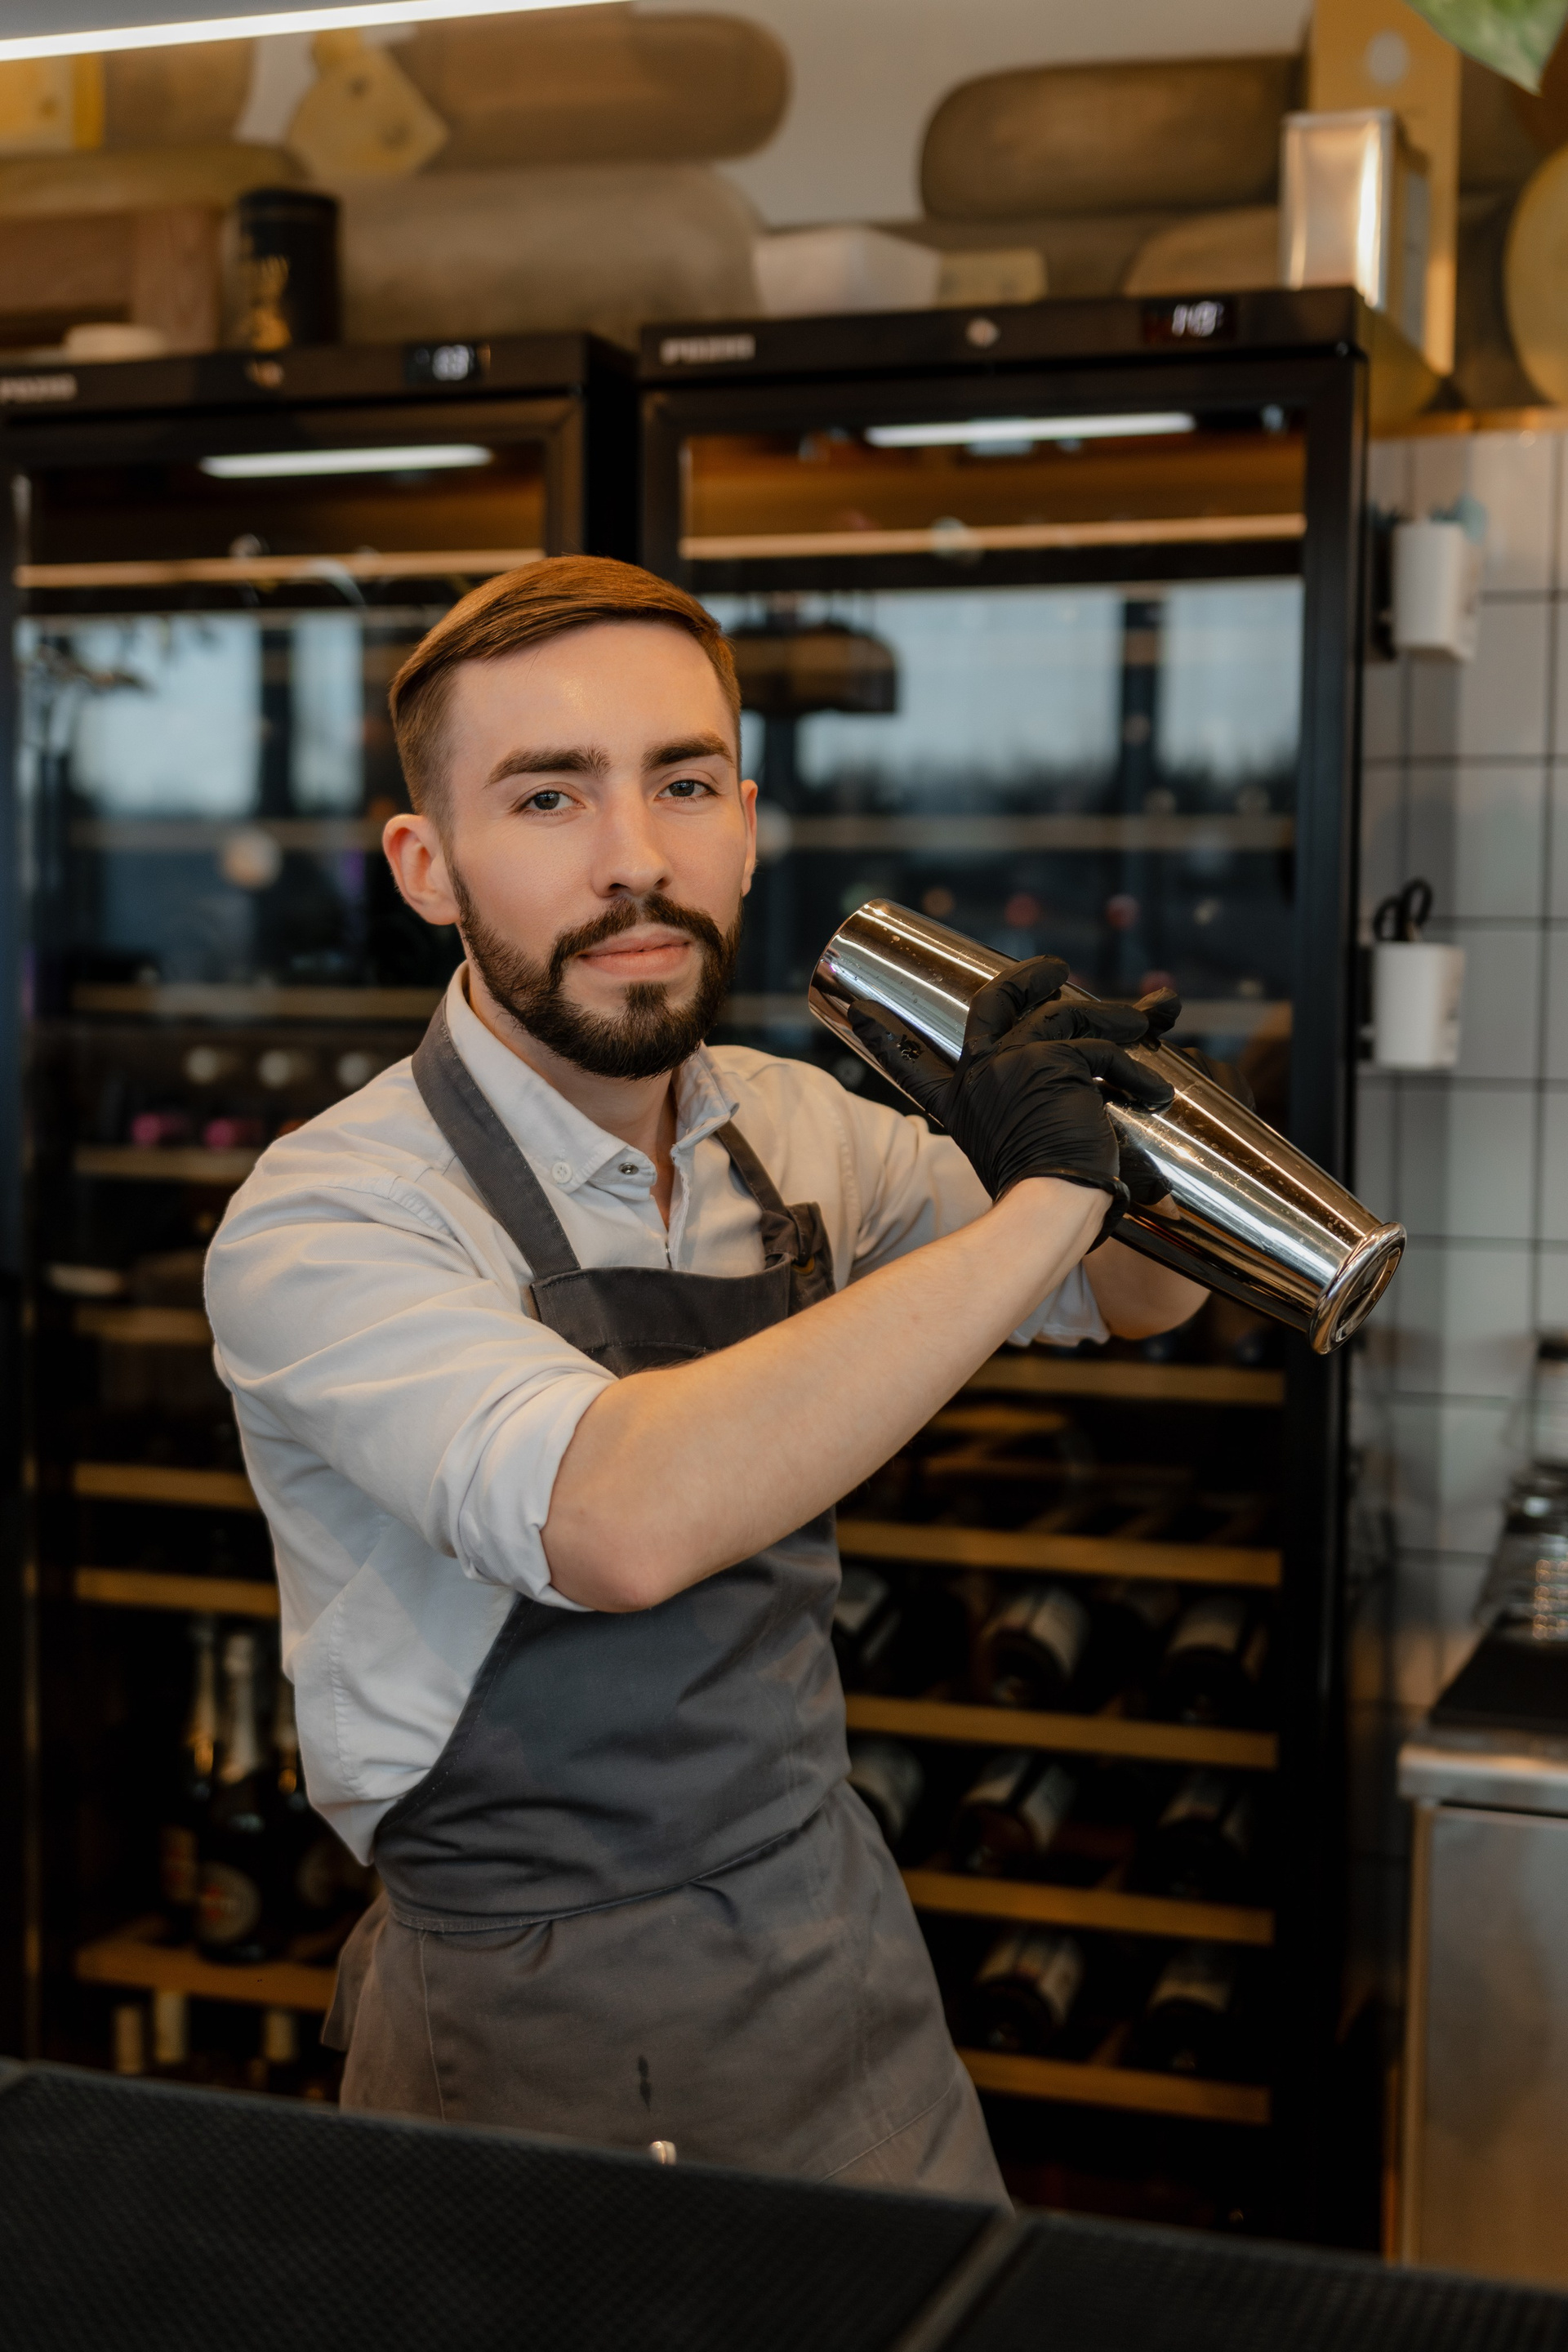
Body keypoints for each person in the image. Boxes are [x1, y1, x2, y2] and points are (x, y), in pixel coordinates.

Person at [205, 557, 1208, 2203]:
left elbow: (1127, 1293)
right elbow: (617, 1518)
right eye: (548, 797)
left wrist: (1129, 1127)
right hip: (534, 2007)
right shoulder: (332, 1216)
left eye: (682, 784)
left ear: (746, 824)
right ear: (427, 866)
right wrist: (1047, 1196)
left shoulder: (789, 1125)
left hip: (834, 1943)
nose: (636, 860)